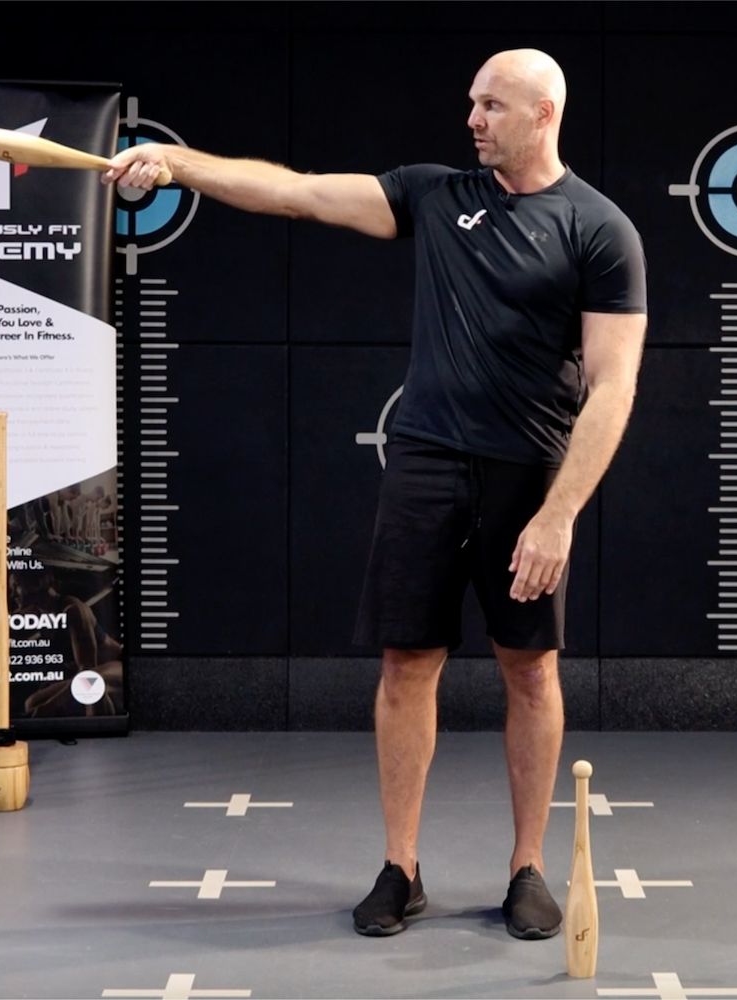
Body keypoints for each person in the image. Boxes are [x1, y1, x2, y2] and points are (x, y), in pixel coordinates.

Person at [105, 47, 647, 940]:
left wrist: (558, 516)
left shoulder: (600, 229)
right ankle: (402, 867)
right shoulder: (434, 195)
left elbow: (614, 385)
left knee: (530, 670)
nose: (472, 119)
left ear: (543, 113)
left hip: (529, 474)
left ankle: (527, 868)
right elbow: (296, 192)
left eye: (491, 105)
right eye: (472, 102)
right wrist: (179, 163)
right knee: (406, 665)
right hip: (426, 463)